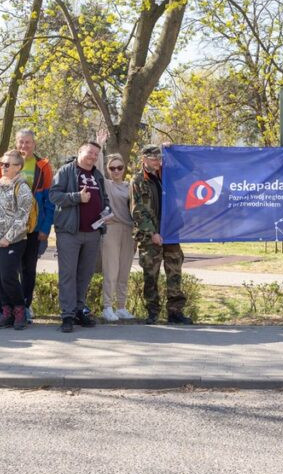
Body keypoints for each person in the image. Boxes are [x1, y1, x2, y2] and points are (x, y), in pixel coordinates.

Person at [0, 129, 53, 325]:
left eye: (28, 142)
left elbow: (48, 200)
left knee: (27, 270)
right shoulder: (5, 163)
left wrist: (45, 227)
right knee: (0, 272)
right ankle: (1, 309)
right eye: (21, 142)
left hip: (30, 228)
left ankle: (23, 308)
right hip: (1, 230)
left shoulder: (42, 166)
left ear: (34, 144)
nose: (24, 145)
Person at [50, 140, 108, 332]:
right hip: (69, 232)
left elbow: (104, 198)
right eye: (89, 152)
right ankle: (67, 315)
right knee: (68, 274)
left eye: (96, 154)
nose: (93, 157)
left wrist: (106, 213)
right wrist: (77, 197)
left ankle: (78, 310)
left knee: (85, 274)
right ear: (80, 152)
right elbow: (54, 196)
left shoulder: (97, 175)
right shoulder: (66, 171)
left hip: (93, 233)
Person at [131, 144, 192, 326]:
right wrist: (152, 233)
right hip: (150, 235)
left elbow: (190, 167)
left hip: (171, 231)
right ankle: (152, 312)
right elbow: (138, 211)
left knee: (174, 271)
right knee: (151, 274)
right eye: (153, 159)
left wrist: (173, 151)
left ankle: (175, 312)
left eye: (160, 158)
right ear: (144, 159)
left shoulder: (167, 174)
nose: (157, 162)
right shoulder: (138, 181)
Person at [0, 150, 34, 330]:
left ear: (18, 167)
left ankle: (20, 312)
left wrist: (8, 237)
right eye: (2, 164)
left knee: (8, 277)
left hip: (13, 241)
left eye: (7, 164)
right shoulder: (0, 183)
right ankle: (7, 313)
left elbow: (23, 218)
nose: (3, 167)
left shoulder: (22, 188)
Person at [101, 153, 136, 321]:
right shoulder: (106, 185)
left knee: (124, 270)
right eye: (112, 168)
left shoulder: (130, 186)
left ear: (124, 168)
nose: (116, 171)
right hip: (111, 229)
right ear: (108, 170)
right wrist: (99, 145)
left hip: (129, 231)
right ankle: (107, 307)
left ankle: (121, 307)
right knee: (111, 270)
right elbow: (97, 170)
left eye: (119, 168)